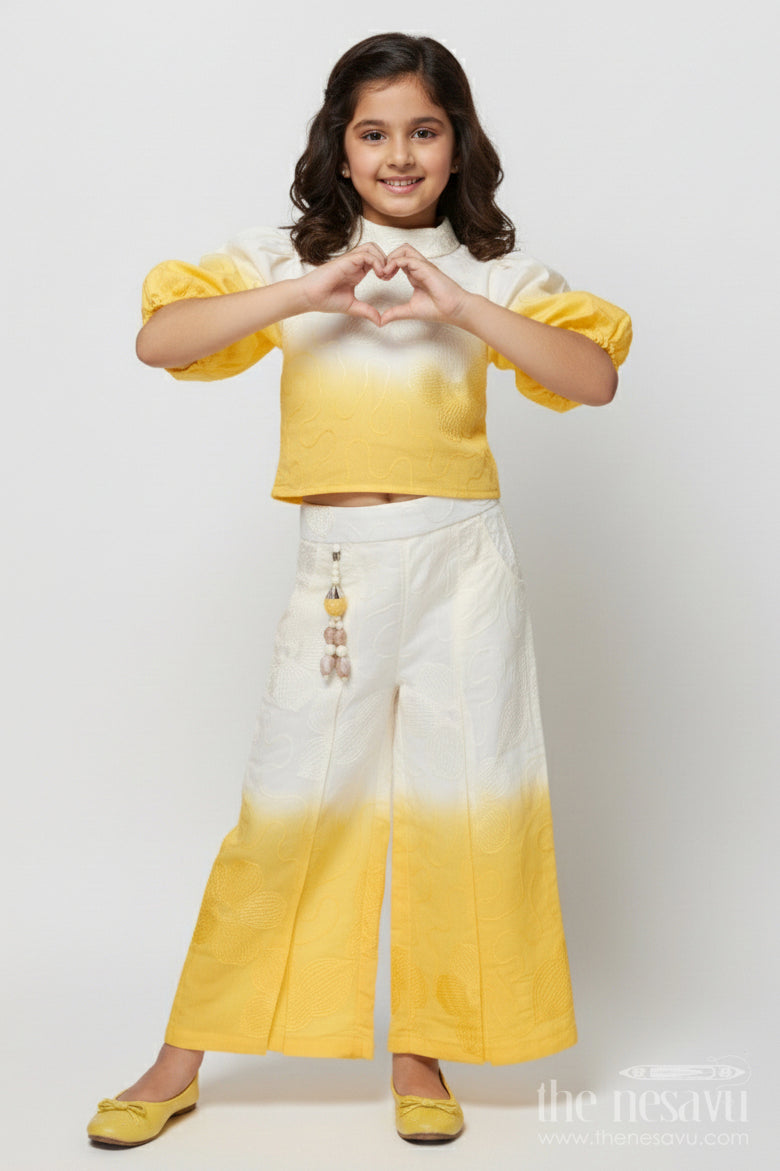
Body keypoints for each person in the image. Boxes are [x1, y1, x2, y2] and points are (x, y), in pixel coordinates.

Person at [87, 31, 632, 1148]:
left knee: (462, 801)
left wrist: (458, 307)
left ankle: (422, 1052)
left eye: (423, 131)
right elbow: (160, 340)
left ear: (456, 144)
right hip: (337, 571)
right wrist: (309, 288)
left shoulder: (489, 273)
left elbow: (594, 375)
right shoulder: (288, 258)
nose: (399, 156)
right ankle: (180, 1057)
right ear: (340, 147)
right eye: (374, 133)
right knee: (287, 807)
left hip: (463, 569)